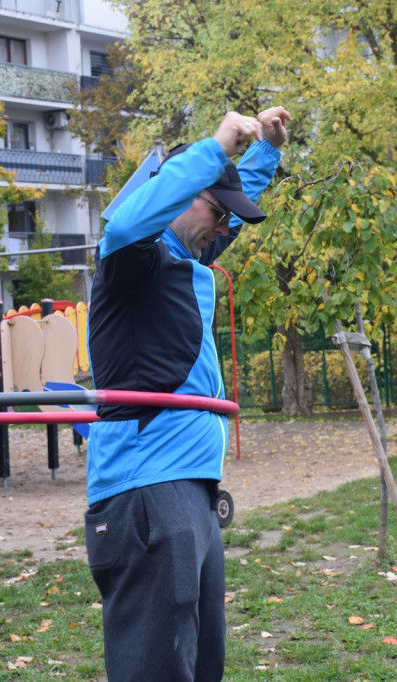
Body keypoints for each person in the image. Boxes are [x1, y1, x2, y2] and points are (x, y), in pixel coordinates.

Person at [84, 106, 291, 681]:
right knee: (158, 668)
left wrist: (267, 151)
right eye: (218, 214)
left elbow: (225, 207)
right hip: (147, 485)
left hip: (190, 487)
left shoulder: (187, 255)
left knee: (200, 664)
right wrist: (215, 147)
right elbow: (125, 224)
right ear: (181, 196)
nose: (223, 230)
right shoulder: (133, 263)